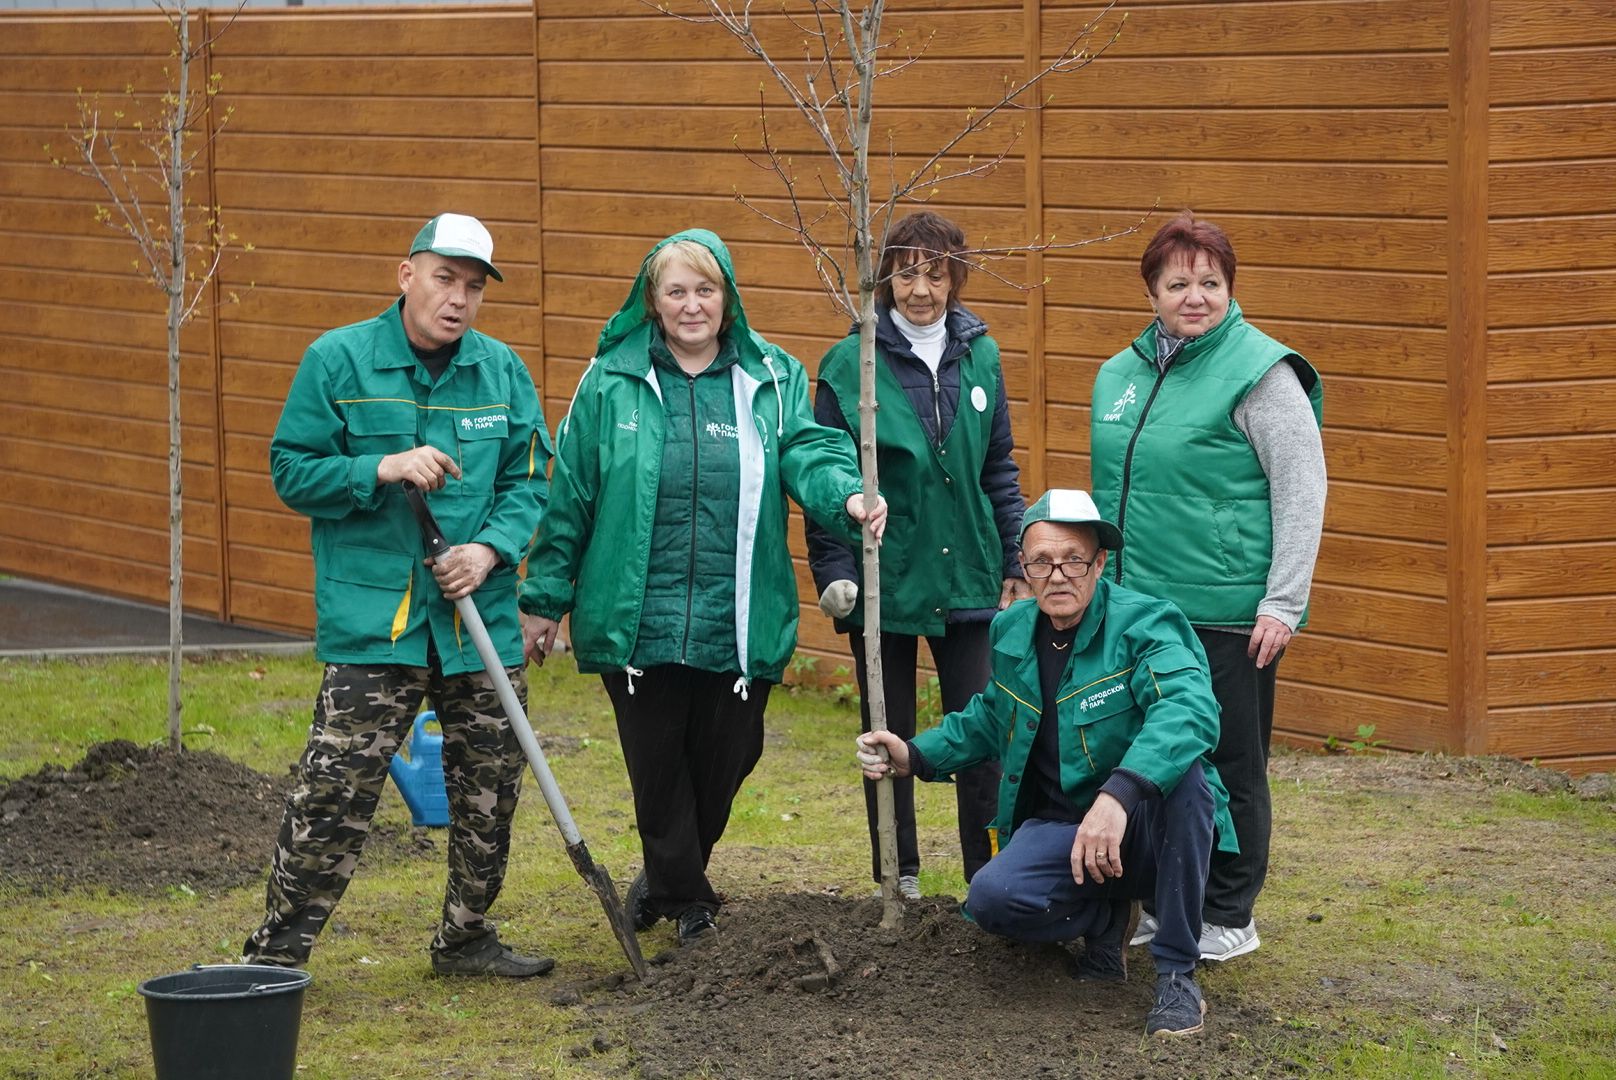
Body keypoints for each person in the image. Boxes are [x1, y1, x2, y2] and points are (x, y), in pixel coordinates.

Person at [518, 229, 887, 947]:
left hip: (738, 615)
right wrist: (543, 600)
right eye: (677, 291)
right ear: (652, 303)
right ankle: (692, 906)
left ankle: (663, 882)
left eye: (706, 290)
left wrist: (845, 493)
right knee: (659, 775)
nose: (693, 305)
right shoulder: (609, 382)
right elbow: (573, 498)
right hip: (637, 622)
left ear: (729, 298)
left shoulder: (770, 377)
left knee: (727, 759)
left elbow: (809, 450)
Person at [244, 213, 554, 978]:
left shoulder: (502, 372)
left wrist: (487, 551)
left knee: (490, 789)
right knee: (334, 791)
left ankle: (467, 938)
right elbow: (291, 471)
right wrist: (377, 469)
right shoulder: (338, 361)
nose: (458, 298)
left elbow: (531, 482)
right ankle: (277, 955)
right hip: (374, 621)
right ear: (405, 274)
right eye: (445, 278)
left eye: (474, 286)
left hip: (474, 622)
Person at [857, 489, 1236, 1037]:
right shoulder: (1011, 629)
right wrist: (915, 754)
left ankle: (1177, 972)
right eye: (1041, 561)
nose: (1058, 575)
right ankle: (1106, 917)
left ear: (1099, 564)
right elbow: (992, 715)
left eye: (1074, 560)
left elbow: (1189, 710)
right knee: (992, 901)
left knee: (1190, 782)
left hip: (1148, 826)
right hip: (1064, 825)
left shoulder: (1148, 624)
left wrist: (1120, 794)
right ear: (1025, 568)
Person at [1088, 211, 1326, 962]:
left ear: (1230, 288)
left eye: (1211, 283)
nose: (1195, 296)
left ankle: (1228, 912)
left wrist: (1282, 602)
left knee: (1230, 765)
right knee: (1152, 757)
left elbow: (1301, 489)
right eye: (1178, 283)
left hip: (1227, 613)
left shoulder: (1262, 372)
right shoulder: (1119, 374)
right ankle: (1169, 900)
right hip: (1139, 610)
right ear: (1152, 291)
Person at [807, 211, 1027, 898]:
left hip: (970, 579)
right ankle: (895, 878)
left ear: (957, 275)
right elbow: (828, 477)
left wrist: (1015, 561)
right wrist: (839, 575)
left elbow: (999, 471)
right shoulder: (851, 364)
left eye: (936, 272)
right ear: (886, 277)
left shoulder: (981, 354)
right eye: (907, 272)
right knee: (886, 739)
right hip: (888, 581)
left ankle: (989, 879)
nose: (921, 289)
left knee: (983, 739)